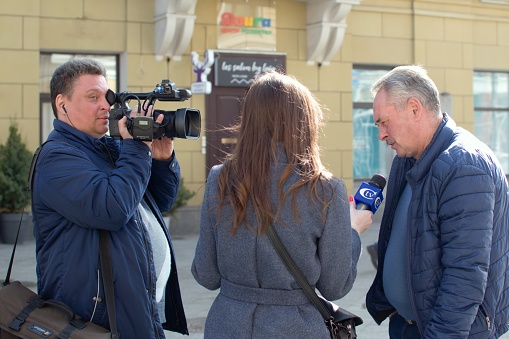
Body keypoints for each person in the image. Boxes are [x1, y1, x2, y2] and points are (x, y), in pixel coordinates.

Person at [191, 70, 373, 338]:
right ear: (304, 120)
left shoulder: (220, 178)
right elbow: (335, 286)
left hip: (227, 325)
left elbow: (206, 274)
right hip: (296, 328)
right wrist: (353, 231)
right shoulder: (325, 189)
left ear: (248, 119)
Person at [32, 58, 188, 338]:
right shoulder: (56, 158)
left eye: (107, 97)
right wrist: (137, 148)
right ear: (61, 103)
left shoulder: (110, 147)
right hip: (92, 320)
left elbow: (158, 203)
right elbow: (112, 210)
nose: (106, 105)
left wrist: (161, 160)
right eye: (92, 97)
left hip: (133, 305)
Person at [365, 65, 509, 338]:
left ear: (414, 108)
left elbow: (465, 274)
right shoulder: (406, 159)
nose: (381, 134)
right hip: (407, 323)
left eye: (384, 122)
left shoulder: (464, 165)